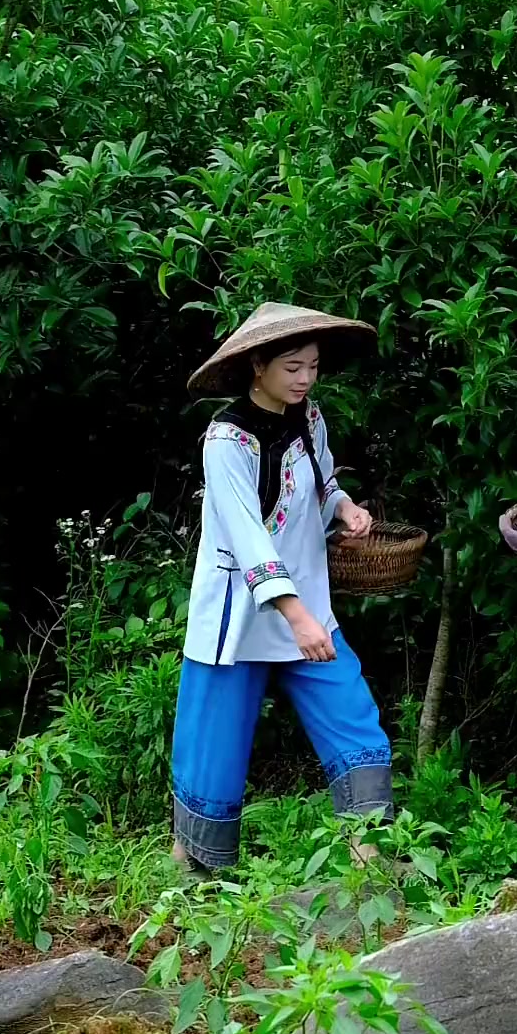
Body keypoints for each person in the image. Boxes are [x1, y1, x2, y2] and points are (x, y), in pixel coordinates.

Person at [170, 301, 393, 872]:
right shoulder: (225, 441)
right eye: (292, 367)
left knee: (353, 716)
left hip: (309, 606)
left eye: (313, 366)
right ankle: (192, 868)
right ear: (257, 366)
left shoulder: (309, 418)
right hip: (239, 619)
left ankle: (368, 854)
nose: (305, 379)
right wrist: (295, 615)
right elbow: (247, 535)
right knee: (213, 747)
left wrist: (345, 508)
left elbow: (322, 481)